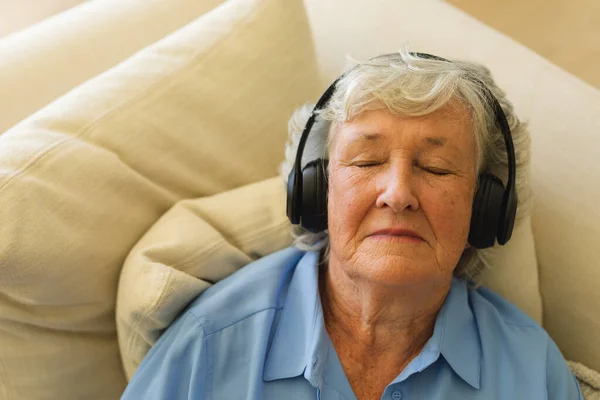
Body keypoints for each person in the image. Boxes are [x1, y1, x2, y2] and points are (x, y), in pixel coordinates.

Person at [121, 50, 582, 399]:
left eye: (438, 167)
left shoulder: (533, 372)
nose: (398, 193)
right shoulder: (209, 341)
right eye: (366, 161)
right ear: (317, 192)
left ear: (485, 209)